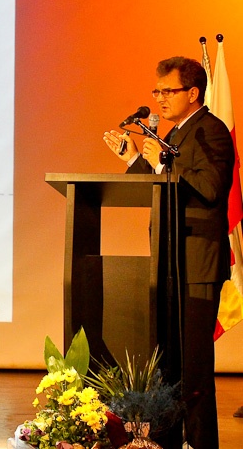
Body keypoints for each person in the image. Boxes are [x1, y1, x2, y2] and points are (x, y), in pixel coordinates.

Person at [103, 56, 235, 449]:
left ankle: (202, 444)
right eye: (156, 91)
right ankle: (171, 441)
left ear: (192, 93)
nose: (159, 98)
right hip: (170, 261)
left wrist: (161, 163)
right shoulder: (175, 134)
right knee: (171, 366)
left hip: (197, 264)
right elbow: (162, 191)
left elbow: (210, 189)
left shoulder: (211, 131)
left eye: (168, 90)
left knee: (194, 368)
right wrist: (134, 160)